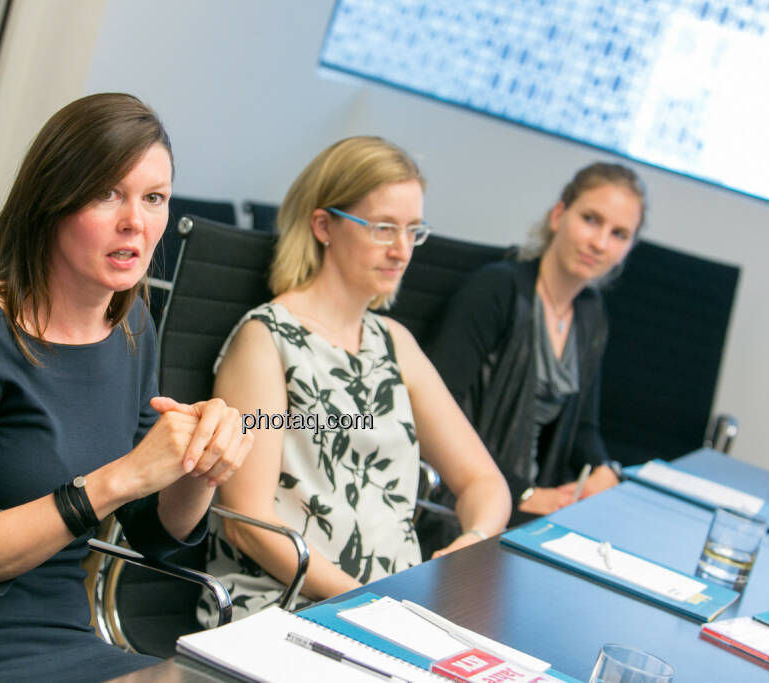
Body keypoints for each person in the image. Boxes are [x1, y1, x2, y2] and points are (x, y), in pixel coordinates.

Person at [0, 93, 252, 682]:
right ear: (51, 201)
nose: (135, 223)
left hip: (68, 642)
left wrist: (199, 466)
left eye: (154, 198)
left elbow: (153, 535)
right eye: (106, 193)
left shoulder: (132, 323)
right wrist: (120, 477)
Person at [197, 136, 511, 626]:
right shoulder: (267, 338)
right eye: (384, 228)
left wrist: (467, 546)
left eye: (414, 231)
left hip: (398, 609)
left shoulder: (393, 342)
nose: (402, 250)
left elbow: (485, 483)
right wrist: (376, 601)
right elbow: (250, 525)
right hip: (290, 608)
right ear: (323, 225)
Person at [420, 162, 645, 547]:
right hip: (466, 503)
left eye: (619, 234)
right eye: (591, 219)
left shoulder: (590, 314)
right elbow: (434, 415)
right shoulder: (496, 290)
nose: (600, 243)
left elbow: (583, 430)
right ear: (559, 215)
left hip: (536, 510)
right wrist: (523, 492)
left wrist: (605, 469)